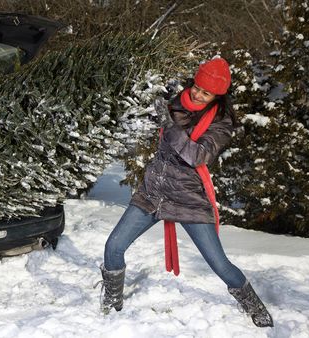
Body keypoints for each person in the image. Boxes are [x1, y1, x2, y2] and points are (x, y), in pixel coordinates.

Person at [99, 58, 274, 328]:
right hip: (153, 192)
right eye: (197, 87)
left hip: (188, 199)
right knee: (113, 246)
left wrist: (169, 125)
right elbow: (143, 122)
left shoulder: (221, 123)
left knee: (219, 263)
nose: (198, 94)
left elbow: (197, 155)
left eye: (206, 92)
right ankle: (112, 300)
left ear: (218, 96)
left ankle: (254, 305)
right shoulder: (175, 102)